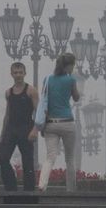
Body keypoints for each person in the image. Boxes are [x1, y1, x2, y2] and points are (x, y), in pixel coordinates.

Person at [38, 53, 80, 192]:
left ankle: (42, 185)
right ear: (69, 66)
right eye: (73, 65)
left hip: (50, 123)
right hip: (67, 122)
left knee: (50, 157)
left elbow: (45, 101)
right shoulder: (71, 80)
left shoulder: (47, 79)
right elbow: (76, 98)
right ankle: (71, 189)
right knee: (70, 158)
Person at [0, 61, 38, 191]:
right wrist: (2, 135)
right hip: (11, 129)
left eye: (20, 72)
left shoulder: (31, 90)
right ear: (11, 74)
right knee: (3, 158)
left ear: (25, 73)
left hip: (26, 128)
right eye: (15, 72)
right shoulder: (8, 93)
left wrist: (35, 130)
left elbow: (38, 112)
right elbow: (7, 114)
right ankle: (11, 189)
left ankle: (29, 193)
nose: (18, 75)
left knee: (27, 163)